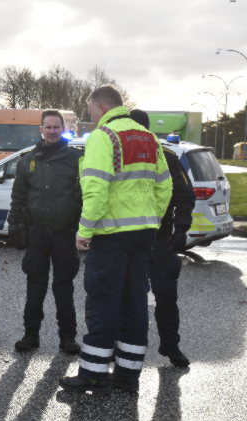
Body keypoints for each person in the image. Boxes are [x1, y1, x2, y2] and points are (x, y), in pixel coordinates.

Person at [59, 86, 172, 394]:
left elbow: (96, 189)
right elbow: (165, 186)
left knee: (103, 301)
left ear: (103, 106)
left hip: (111, 236)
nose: (91, 116)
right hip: (143, 234)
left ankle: (93, 373)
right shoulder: (149, 138)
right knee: (134, 300)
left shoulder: (104, 137)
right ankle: (126, 375)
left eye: (91, 109)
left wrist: (84, 231)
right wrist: (152, 219)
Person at [7, 109, 83, 355]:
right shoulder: (28, 160)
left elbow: (85, 196)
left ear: (63, 129)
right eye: (47, 127)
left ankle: (68, 338)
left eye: (56, 127)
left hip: (65, 232)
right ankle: (30, 335)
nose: (52, 131)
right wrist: (15, 224)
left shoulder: (76, 159)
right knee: (35, 285)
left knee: (63, 287)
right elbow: (18, 196)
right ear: (41, 129)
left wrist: (84, 227)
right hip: (37, 233)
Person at [129, 109, 195, 367]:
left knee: (166, 297)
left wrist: (180, 230)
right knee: (126, 298)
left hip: (159, 238)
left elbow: (185, 196)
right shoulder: (118, 156)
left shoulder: (165, 157)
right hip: (126, 239)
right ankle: (120, 345)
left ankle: (171, 345)